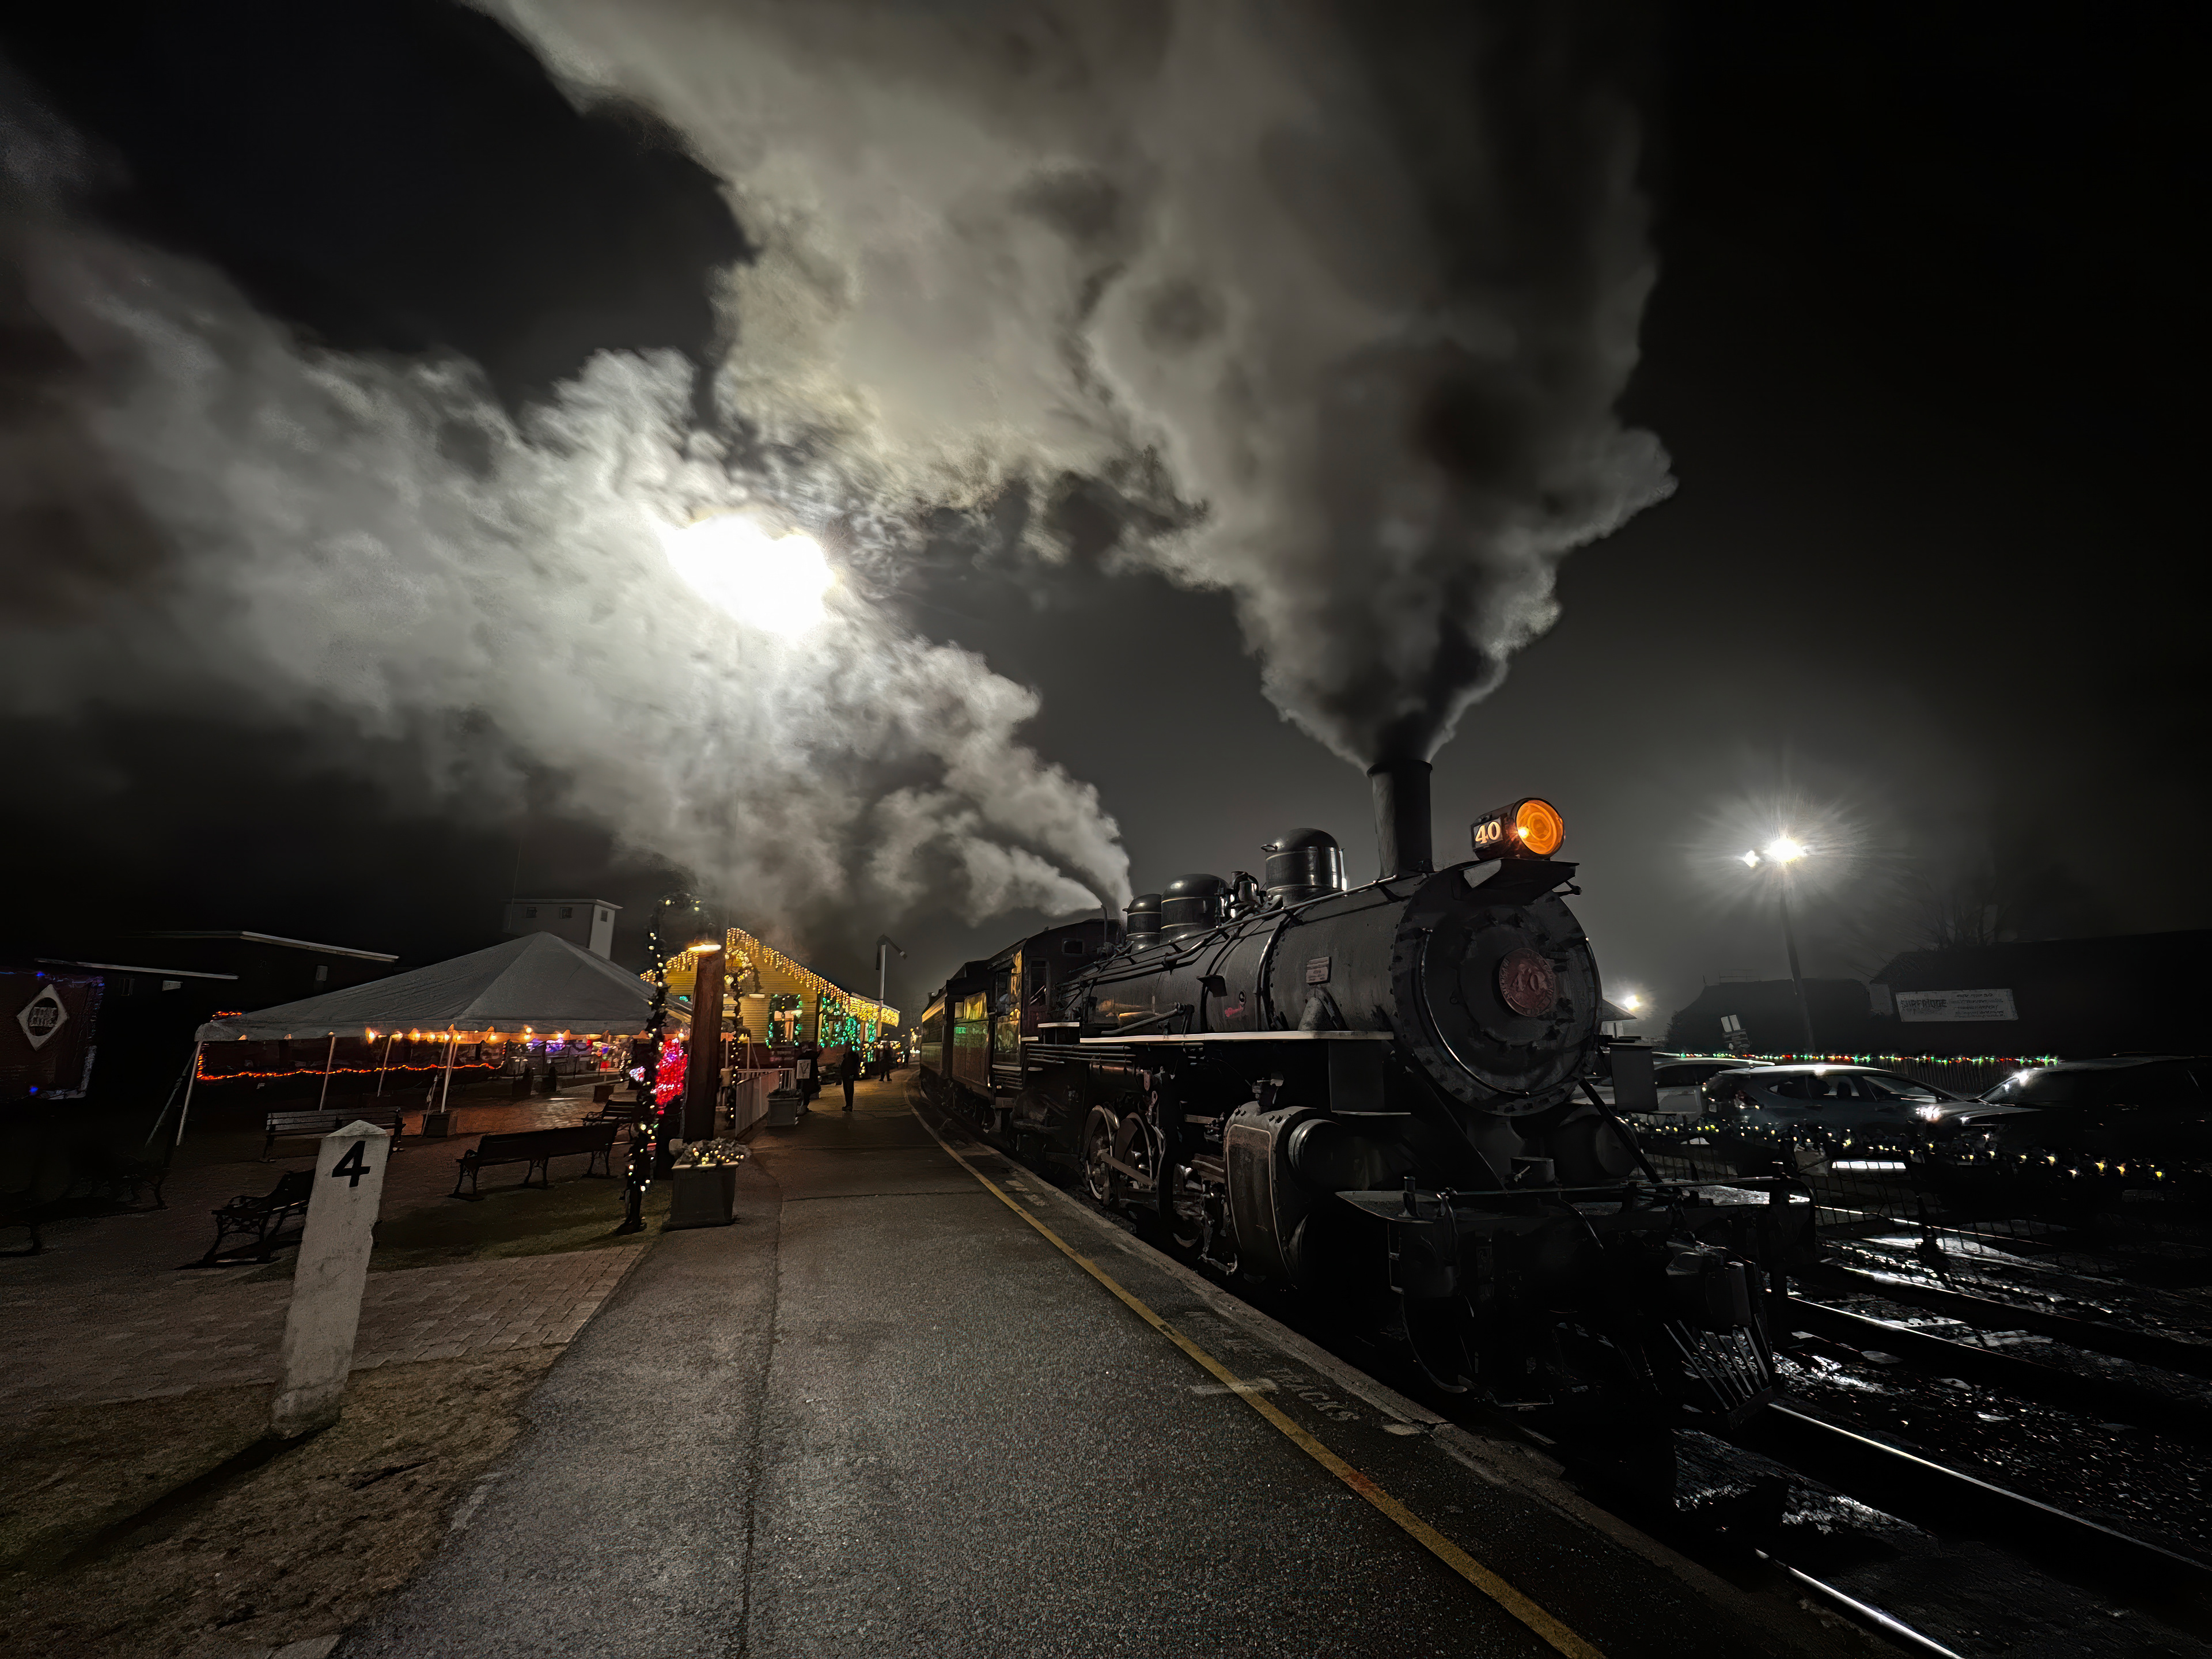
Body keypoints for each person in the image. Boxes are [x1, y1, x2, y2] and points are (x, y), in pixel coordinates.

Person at [839, 1044, 861, 1111]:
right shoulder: (847, 1056)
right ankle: (848, 1105)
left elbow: (855, 1063)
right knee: (847, 1090)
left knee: (849, 1090)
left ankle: (849, 1105)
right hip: (846, 1075)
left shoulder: (853, 1056)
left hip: (850, 1074)